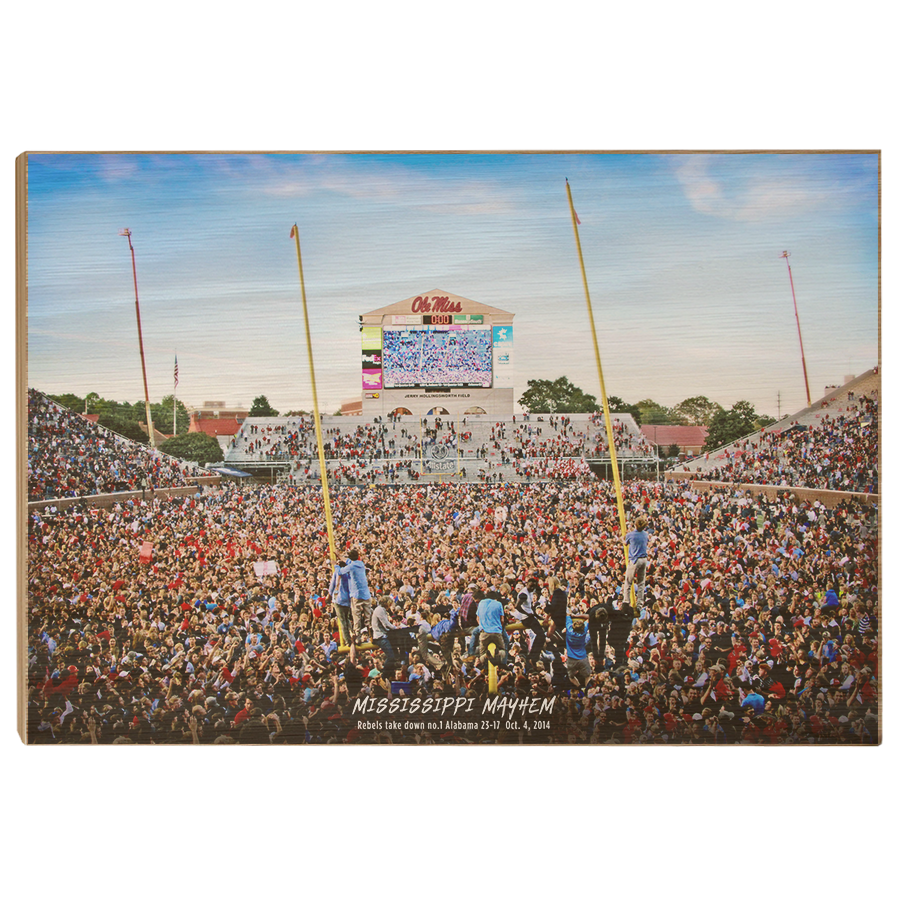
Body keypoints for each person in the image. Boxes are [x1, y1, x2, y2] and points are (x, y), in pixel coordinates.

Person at [335, 548, 372, 642]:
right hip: (366, 594)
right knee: (368, 617)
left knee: (357, 617)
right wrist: (339, 555)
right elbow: (348, 561)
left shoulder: (351, 566)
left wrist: (336, 565)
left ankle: (358, 638)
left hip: (356, 595)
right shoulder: (361, 564)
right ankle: (372, 636)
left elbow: (340, 572)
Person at [623, 515, 650, 609]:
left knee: (628, 582)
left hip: (635, 560)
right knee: (641, 583)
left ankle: (626, 602)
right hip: (644, 559)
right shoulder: (645, 534)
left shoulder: (630, 534)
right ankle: (639, 604)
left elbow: (625, 542)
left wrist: (623, 538)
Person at [371, 597, 399, 680]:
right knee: (391, 657)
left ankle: (388, 675)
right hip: (379, 636)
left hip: (383, 635)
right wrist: (395, 628)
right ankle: (383, 676)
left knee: (394, 656)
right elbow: (386, 624)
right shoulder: (379, 610)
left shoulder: (382, 610)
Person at [477, 589, 506, 668]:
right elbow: (502, 620)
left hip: (484, 632)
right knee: (502, 649)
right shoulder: (498, 604)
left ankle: (485, 656)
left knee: (482, 653)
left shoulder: (481, 603)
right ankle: (498, 654)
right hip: (496, 631)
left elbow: (478, 619)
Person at [564, 613, 592, 687]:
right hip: (582, 658)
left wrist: (571, 616)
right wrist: (576, 616)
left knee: (571, 677)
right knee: (587, 676)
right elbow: (589, 617)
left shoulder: (569, 630)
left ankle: (579, 688)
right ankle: (586, 690)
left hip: (571, 658)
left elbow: (567, 614)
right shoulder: (584, 631)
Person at [328, 563, 352, 646]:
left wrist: (329, 594)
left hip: (338, 599)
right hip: (347, 600)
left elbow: (332, 585)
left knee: (342, 620)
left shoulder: (337, 572)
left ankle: (347, 640)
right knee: (346, 618)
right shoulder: (349, 573)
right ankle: (352, 633)